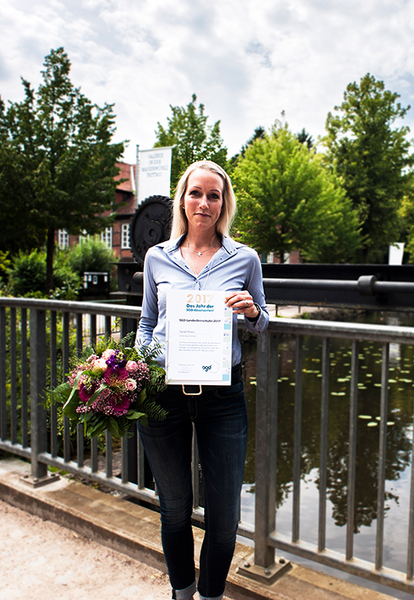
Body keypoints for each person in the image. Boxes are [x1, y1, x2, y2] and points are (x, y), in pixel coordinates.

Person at [136, 160, 269, 600]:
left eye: (214, 195)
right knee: (174, 509)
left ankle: (211, 596)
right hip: (163, 394)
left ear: (223, 203)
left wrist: (252, 311)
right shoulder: (157, 257)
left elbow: (262, 321)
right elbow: (147, 323)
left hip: (222, 398)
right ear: (182, 199)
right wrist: (138, 368)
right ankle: (182, 593)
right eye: (196, 193)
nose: (204, 203)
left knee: (225, 516)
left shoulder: (245, 258)